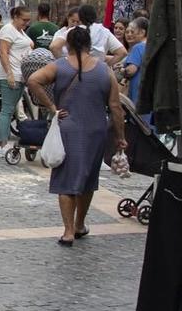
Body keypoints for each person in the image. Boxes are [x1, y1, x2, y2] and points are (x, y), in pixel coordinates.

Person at [25, 25, 127, 247]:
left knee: (66, 180)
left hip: (68, 127)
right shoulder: (104, 70)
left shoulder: (59, 66)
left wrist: (52, 107)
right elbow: (115, 106)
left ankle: (68, 231)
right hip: (96, 129)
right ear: (90, 45)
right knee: (88, 179)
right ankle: (80, 224)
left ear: (68, 44)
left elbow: (33, 80)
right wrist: (120, 136)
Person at [0, 5, 35, 140]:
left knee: (11, 109)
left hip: (20, 74)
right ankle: (2, 142)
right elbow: (3, 52)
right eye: (24, 20)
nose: (26, 23)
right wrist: (9, 73)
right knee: (7, 110)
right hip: (12, 74)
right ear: (15, 17)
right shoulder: (8, 30)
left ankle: (4, 138)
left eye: (28, 20)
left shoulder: (21, 31)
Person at [50, 3, 127, 63]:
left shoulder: (75, 30)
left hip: (75, 72)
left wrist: (65, 63)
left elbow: (54, 46)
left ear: (81, 17)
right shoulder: (105, 31)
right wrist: (106, 65)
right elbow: (122, 52)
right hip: (97, 75)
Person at [121, 17, 150, 107]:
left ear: (142, 32)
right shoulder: (151, 47)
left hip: (138, 93)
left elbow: (131, 70)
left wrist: (122, 70)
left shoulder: (138, 47)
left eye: (133, 31)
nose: (130, 34)